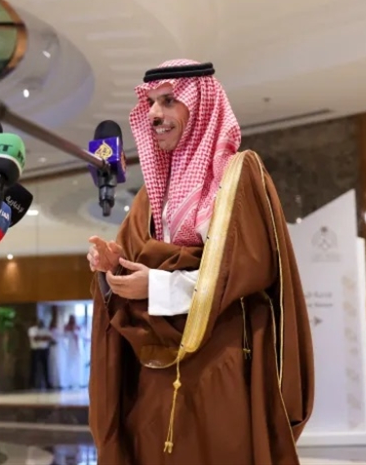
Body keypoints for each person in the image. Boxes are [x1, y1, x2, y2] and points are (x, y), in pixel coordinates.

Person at [86, 60, 314, 464]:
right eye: (150, 103)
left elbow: (241, 270)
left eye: (168, 101)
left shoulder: (237, 176)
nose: (154, 114)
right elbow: (134, 267)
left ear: (201, 105)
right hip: (153, 364)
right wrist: (112, 269)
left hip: (219, 361)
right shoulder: (151, 195)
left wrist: (156, 285)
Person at [28, 319, 53, 389]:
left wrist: (41, 338)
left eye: (42, 322)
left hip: (44, 349)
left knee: (46, 367)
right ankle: (32, 384)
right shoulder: (32, 329)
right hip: (35, 350)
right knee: (34, 367)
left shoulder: (46, 330)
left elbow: (49, 338)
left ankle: (47, 384)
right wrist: (44, 337)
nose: (40, 323)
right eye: (39, 322)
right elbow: (35, 338)